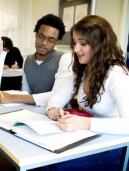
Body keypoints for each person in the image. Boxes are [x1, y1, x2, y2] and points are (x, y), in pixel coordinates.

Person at [40, 15, 129, 171]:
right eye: (75, 42)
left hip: (116, 146)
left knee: (50, 166)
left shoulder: (117, 74)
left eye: (83, 43)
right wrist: (53, 109)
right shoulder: (82, 70)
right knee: (39, 157)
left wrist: (85, 123)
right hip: (91, 136)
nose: (76, 49)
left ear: (99, 45)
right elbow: (57, 98)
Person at [0, 14, 72, 106]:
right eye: (41, 36)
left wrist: (12, 97)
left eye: (50, 40)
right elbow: (26, 93)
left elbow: (57, 96)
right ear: (36, 34)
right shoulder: (27, 60)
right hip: (32, 112)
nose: (44, 43)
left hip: (58, 114)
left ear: (57, 41)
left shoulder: (65, 59)